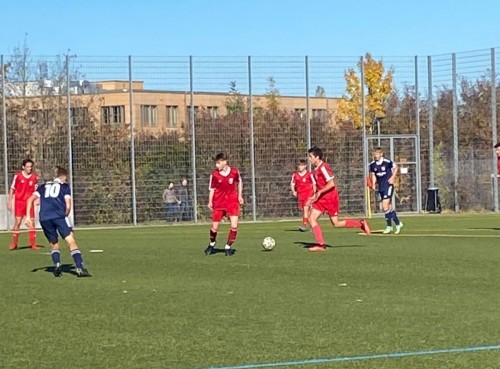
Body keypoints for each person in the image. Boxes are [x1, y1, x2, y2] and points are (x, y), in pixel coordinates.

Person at [25, 166, 91, 277]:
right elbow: (68, 205)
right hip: (59, 216)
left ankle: (57, 265)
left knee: (54, 244)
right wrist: (65, 216)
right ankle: (79, 267)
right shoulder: (64, 187)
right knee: (71, 241)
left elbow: (30, 199)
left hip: (44, 218)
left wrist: (28, 217)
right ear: (63, 177)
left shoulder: (43, 186)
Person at [306, 147, 371, 252]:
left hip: (331, 198)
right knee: (311, 218)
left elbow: (331, 184)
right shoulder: (314, 171)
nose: (309, 159)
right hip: (321, 199)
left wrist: (320, 192)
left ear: (317, 157)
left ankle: (360, 223)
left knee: (336, 223)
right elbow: (317, 187)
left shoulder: (323, 167)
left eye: (310, 157)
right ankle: (321, 245)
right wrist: (313, 197)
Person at [204, 152, 244, 257]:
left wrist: (239, 196)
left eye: (218, 163)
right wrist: (210, 201)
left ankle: (228, 247)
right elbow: (212, 189)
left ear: (224, 162)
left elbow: (239, 183)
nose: (216, 165)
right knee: (214, 228)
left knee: (234, 226)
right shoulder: (214, 175)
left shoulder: (234, 172)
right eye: (216, 163)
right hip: (219, 202)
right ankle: (212, 243)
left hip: (232, 202)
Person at [369, 147, 403, 234]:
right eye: (374, 154)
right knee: (389, 207)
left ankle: (389, 226)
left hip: (388, 186)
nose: (375, 156)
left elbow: (396, 167)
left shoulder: (387, 162)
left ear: (381, 154)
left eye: (377, 154)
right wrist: (373, 184)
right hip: (381, 187)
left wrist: (392, 178)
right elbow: (373, 174)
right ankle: (398, 223)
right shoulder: (373, 164)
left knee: (384, 206)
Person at [8, 159, 39, 250]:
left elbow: (36, 189)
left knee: (31, 222)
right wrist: (10, 200)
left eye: (31, 167)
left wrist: (37, 199)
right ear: (23, 167)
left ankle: (33, 244)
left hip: (29, 202)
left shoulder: (34, 177)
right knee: (18, 222)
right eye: (28, 166)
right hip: (19, 202)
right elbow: (12, 188)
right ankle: (14, 243)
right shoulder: (18, 176)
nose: (30, 168)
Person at [290, 159, 316, 231]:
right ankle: (312, 225)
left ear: (305, 166)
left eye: (301, 165)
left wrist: (314, 193)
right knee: (306, 211)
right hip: (301, 195)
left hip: (309, 195)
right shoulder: (295, 175)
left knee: (306, 210)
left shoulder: (309, 175)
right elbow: (292, 184)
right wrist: (293, 191)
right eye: (299, 165)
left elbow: (314, 184)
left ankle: (304, 226)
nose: (299, 167)